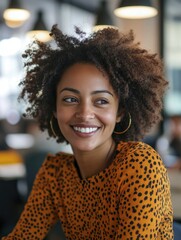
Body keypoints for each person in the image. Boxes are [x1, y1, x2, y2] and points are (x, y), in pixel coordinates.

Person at [2, 25, 173, 239]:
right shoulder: (55, 175)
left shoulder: (139, 164)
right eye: (70, 99)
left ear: (119, 111)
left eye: (101, 101)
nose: (84, 113)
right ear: (54, 108)